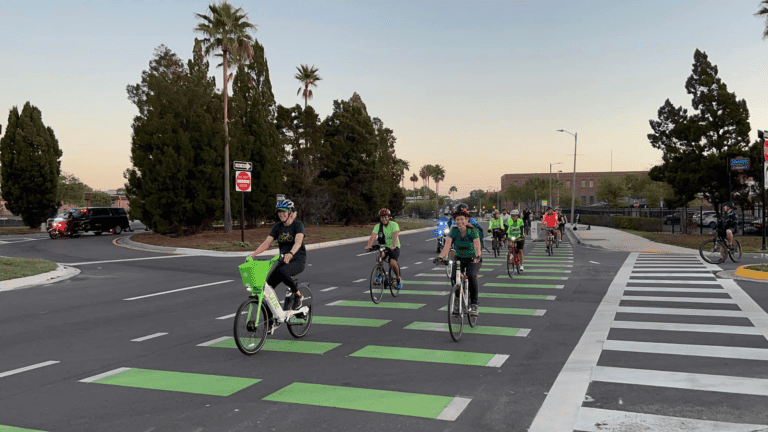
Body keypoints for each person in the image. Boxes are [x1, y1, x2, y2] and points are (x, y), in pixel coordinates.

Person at [250, 199, 307, 310]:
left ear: (290, 212)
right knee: (267, 288)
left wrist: (290, 253)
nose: (281, 214)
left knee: (283, 272)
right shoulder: (277, 227)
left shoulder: (298, 225)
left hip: (297, 260)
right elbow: (267, 243)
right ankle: (272, 319)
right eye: (279, 211)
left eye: (284, 211)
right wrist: (253, 254)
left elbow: (298, 242)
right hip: (283, 260)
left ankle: (298, 295)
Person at [436, 207, 482, 316]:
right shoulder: (454, 231)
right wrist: (440, 257)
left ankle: (474, 304)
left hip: (473, 259)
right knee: (453, 277)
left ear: (467, 220)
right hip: (459, 259)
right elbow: (447, 247)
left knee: (471, 275)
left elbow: (477, 246)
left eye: (462, 219)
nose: (459, 222)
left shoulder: (473, 232)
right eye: (457, 219)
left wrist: (477, 256)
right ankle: (457, 299)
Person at [365, 208, 403, 290]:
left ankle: (398, 278)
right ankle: (380, 274)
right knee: (379, 256)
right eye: (382, 217)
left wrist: (394, 244)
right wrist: (369, 245)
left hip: (394, 247)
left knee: (392, 263)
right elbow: (374, 236)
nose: (384, 219)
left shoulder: (394, 224)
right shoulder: (378, 226)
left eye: (386, 217)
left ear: (389, 217)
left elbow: (395, 234)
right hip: (384, 247)